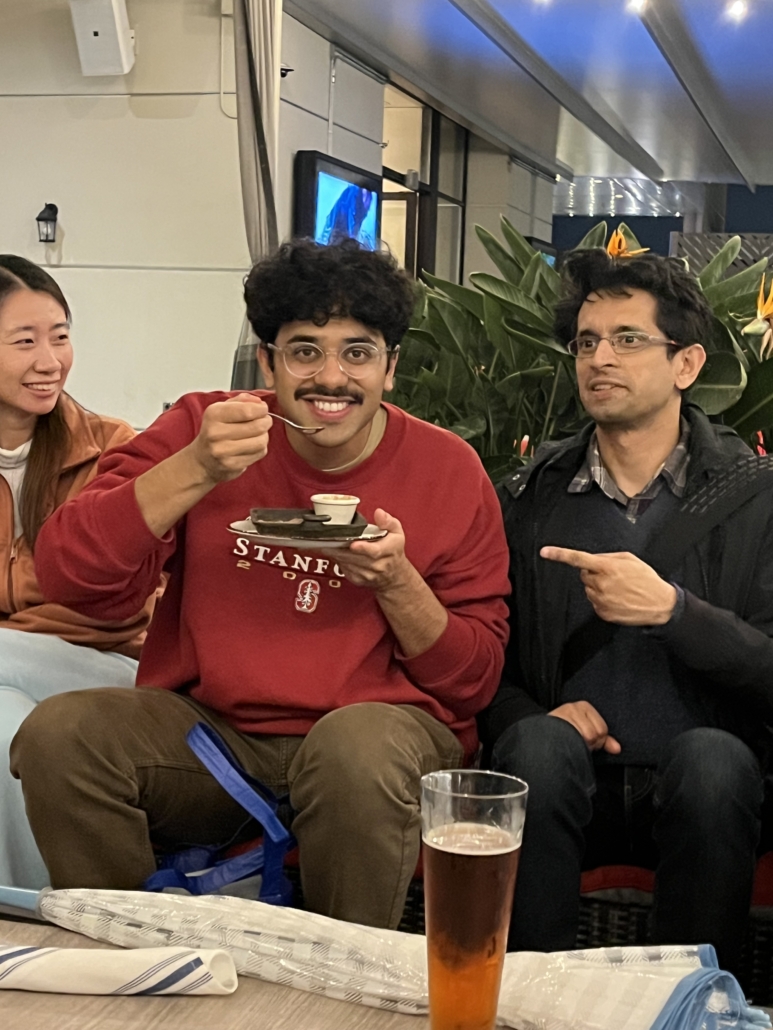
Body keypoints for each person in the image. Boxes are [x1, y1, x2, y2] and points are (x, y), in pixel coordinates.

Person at [10, 240, 510, 928]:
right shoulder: (206, 429)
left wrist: (397, 583)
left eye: (357, 353)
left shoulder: (448, 470)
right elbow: (71, 573)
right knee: (60, 735)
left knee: (354, 750)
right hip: (213, 738)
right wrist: (195, 468)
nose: (330, 377)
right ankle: (139, 956)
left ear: (390, 368)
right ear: (268, 363)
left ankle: (341, 974)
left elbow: (473, 680)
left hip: (378, 734)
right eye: (304, 351)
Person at [480, 247, 773, 975]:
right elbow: (485, 664)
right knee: (535, 747)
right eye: (586, 342)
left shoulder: (755, 496)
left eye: (627, 339)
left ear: (687, 364)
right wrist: (537, 717)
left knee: (712, 763)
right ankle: (526, 1004)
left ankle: (693, 1003)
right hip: (569, 784)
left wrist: (675, 612)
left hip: (712, 791)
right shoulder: (530, 497)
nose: (600, 358)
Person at [0, 255, 156, 888]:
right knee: (4, 723)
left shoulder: (112, 447)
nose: (50, 361)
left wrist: (14, 629)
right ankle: (37, 915)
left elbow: (120, 601)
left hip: (110, 668)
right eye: (25, 342)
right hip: (14, 678)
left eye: (60, 337)